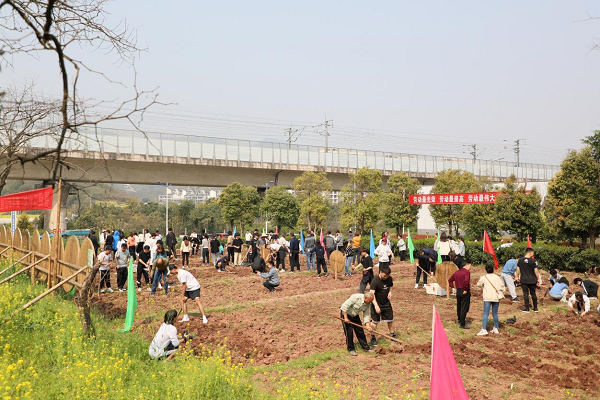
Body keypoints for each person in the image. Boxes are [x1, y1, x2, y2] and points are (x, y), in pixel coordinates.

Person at [340, 292, 374, 356]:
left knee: (360, 331)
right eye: (369, 301)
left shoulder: (368, 303)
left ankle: (366, 348)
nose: (370, 302)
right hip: (346, 314)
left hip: (354, 315)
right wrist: (346, 318)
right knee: (349, 332)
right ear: (365, 298)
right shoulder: (355, 298)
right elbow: (344, 307)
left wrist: (368, 326)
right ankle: (351, 349)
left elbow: (366, 315)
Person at [476, 264, 505, 336]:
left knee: (486, 313)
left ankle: (484, 329)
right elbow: (503, 287)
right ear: (493, 269)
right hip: (496, 298)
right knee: (495, 313)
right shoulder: (497, 277)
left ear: (486, 269)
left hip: (487, 298)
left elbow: (478, 284)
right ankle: (496, 328)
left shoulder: (484, 277)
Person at [369, 267, 396, 346]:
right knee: (375, 322)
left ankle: (392, 335)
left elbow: (391, 286)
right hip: (376, 303)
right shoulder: (375, 281)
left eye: (387, 276)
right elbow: (371, 294)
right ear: (380, 272)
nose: (385, 277)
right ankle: (373, 338)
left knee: (390, 319)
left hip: (386, 303)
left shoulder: (389, 278)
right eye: (384, 276)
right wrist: (376, 306)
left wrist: (390, 292)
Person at [515, 248, 541, 313]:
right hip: (532, 280)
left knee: (525, 294)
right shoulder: (534, 261)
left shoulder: (520, 260)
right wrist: (538, 279)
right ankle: (535, 308)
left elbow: (517, 270)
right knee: (533, 294)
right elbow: (536, 271)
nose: (533, 254)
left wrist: (517, 277)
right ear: (530, 253)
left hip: (524, 280)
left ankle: (527, 308)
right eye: (533, 253)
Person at [449, 263, 472, 329]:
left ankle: (459, 319)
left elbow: (450, 280)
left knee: (459, 306)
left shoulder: (456, 272)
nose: (470, 267)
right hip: (464, 291)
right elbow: (466, 281)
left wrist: (453, 287)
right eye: (470, 266)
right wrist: (465, 289)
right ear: (466, 265)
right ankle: (462, 324)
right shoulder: (466, 272)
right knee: (464, 307)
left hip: (458, 291)